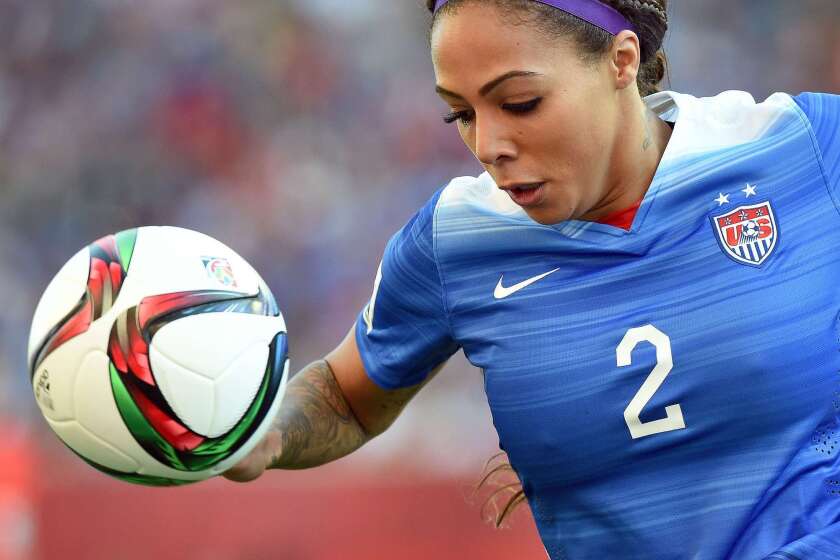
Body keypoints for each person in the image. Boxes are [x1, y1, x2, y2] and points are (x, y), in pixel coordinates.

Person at [226, 0, 840, 557]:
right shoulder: (454, 240)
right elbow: (346, 396)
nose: (488, 144)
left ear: (621, 62)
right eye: (460, 115)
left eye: (519, 103)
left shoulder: (804, 146)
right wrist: (265, 433)